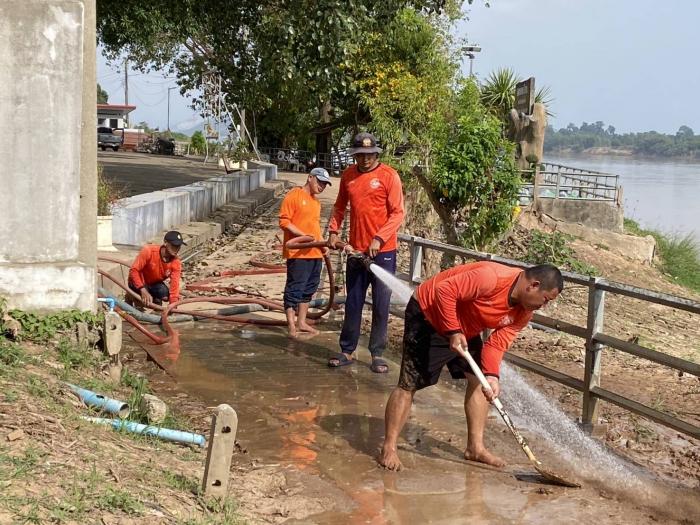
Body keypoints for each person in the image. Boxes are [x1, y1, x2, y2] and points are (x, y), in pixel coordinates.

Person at [378, 262, 563, 471]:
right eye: (545, 300)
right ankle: (389, 447)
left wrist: (492, 376)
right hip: (429, 314)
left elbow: (497, 343)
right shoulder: (491, 278)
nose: (543, 306)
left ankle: (475, 448)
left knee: (479, 380)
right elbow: (444, 291)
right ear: (533, 285)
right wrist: (453, 330)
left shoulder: (524, 313)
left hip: (466, 327)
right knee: (409, 384)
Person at [327, 132, 405, 373]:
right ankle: (347, 350)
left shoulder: (389, 176)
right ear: (355, 155)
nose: (364, 160)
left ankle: (377, 354)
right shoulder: (349, 176)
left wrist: (379, 238)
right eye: (360, 155)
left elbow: (398, 213)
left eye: (369, 155)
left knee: (381, 304)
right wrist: (333, 230)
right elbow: (340, 206)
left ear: (376, 154)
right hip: (356, 251)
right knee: (353, 302)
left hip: (384, 252)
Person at [279, 168, 332, 337]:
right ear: (310, 178)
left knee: (309, 289)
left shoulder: (316, 203)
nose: (321, 186)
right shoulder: (294, 195)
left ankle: (301, 322)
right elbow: (284, 221)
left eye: (324, 184)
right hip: (299, 253)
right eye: (319, 182)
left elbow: (315, 227)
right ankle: (291, 325)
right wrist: (303, 236)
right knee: (295, 288)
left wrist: (323, 244)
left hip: (315, 253)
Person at [128, 230, 186, 306]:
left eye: (178, 247)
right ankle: (132, 297)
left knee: (165, 295)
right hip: (139, 281)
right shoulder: (149, 251)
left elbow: (174, 284)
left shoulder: (176, 262)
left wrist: (173, 305)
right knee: (144, 300)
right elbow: (134, 271)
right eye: (174, 246)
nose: (177, 249)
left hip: (154, 283)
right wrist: (143, 290)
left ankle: (154, 299)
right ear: (165, 243)